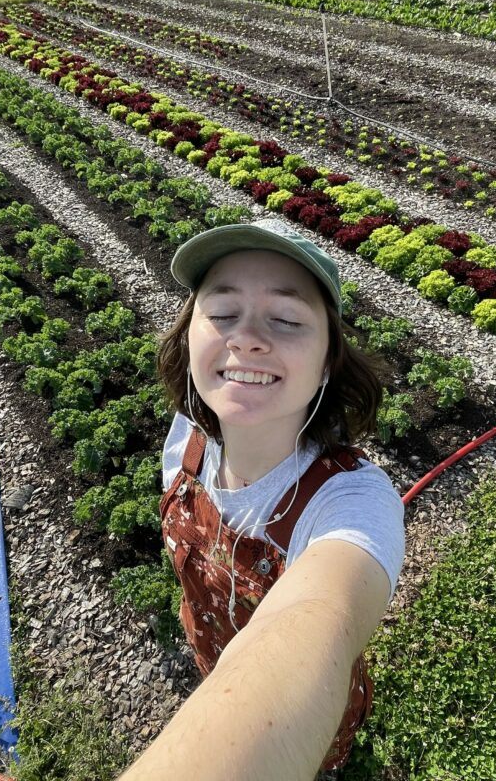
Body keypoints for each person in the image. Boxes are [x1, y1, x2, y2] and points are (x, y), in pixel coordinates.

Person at [119, 219, 406, 781]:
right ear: (188, 334)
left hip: (310, 737)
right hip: (211, 648)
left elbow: (318, 617)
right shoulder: (186, 440)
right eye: (222, 314)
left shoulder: (349, 501)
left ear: (327, 360)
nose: (246, 337)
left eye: (286, 319)